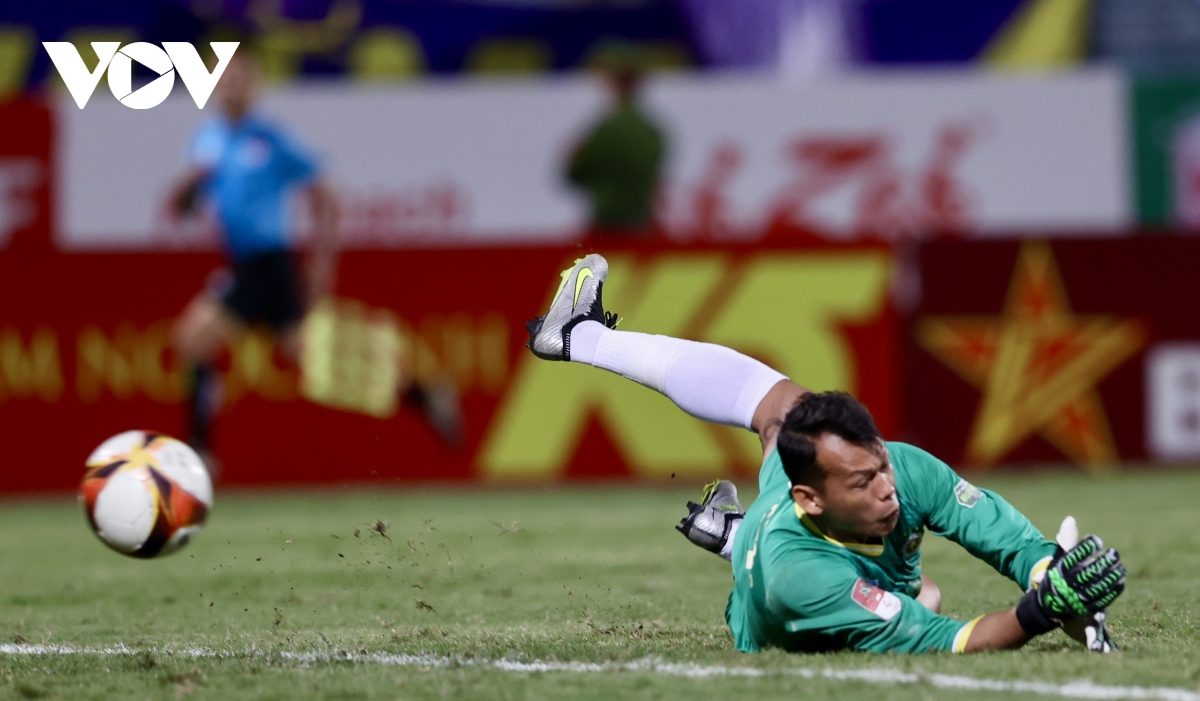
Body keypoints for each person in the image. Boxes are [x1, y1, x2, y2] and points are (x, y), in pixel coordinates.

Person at [525, 253, 1126, 654]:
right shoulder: (801, 579)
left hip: (810, 538)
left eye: (880, 467)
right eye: (863, 483)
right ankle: (739, 541)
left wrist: (1053, 574)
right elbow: (951, 641)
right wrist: (1042, 612)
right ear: (806, 495)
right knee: (926, 597)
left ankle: (579, 337)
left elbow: (1012, 543)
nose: (887, 487)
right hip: (786, 595)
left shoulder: (901, 468)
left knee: (789, 411)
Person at [168, 51, 460, 472]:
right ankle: (422, 393)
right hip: (242, 263)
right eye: (224, 80)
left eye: (240, 79)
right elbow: (182, 207)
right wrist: (190, 184)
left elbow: (326, 196)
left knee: (193, 339)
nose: (231, 87)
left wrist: (323, 266)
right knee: (309, 354)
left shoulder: (271, 139)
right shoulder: (206, 139)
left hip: (267, 264)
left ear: (255, 87)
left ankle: (200, 453)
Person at [564, 44, 666, 236]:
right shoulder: (654, 132)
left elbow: (575, 174)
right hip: (642, 225)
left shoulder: (605, 130)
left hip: (607, 224)